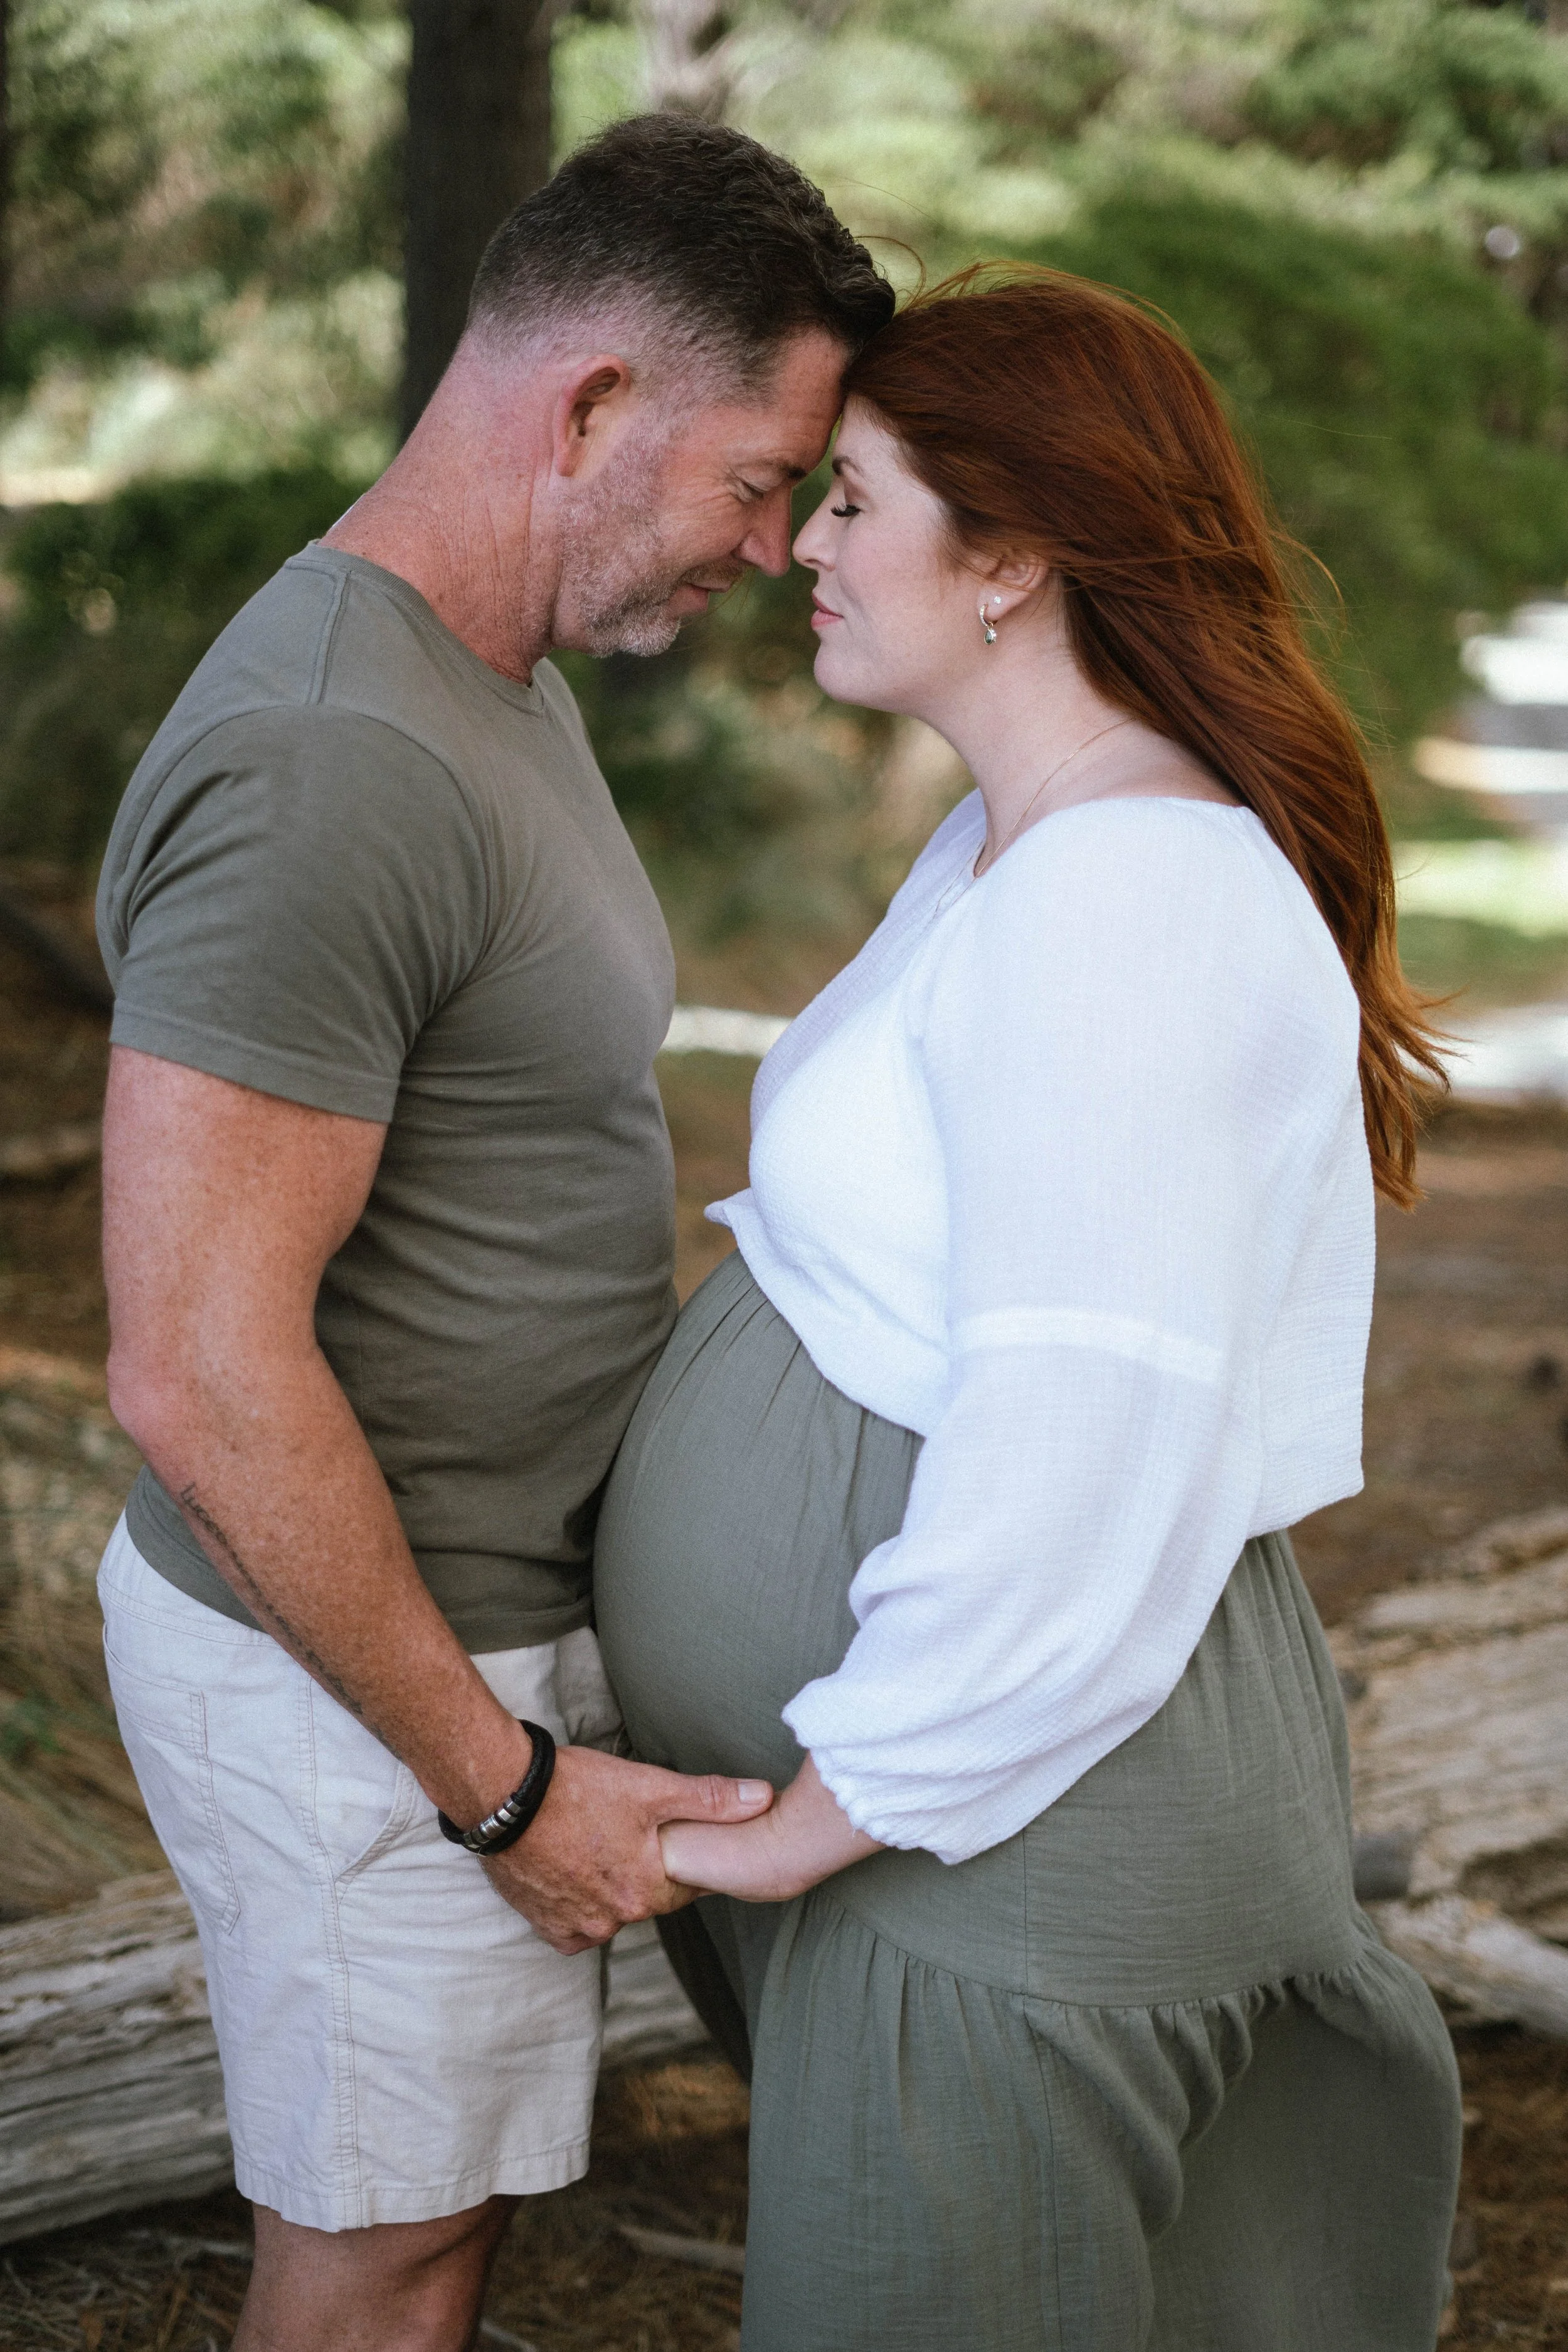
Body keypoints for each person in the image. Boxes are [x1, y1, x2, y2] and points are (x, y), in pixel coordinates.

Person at [594, 265, 1465, 2351]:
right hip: (962, 1829)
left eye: (857, 499)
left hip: (991, 1829)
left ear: (1013, 557)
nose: (799, 543)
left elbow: (1087, 1428)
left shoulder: (1131, 897)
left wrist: (836, 1800)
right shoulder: (1016, 847)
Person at [93, 115, 892, 2352]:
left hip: (459, 1655)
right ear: (593, 406)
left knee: (439, 2239)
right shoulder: (334, 757)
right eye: (759, 479)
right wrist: (500, 1779)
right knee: (375, 2264)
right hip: (366, 1679)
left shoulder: (491, 677)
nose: (769, 546)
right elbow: (192, 1366)